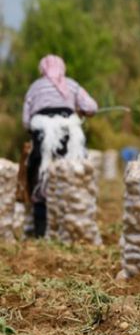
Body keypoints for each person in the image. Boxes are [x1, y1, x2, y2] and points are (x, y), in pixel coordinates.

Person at [22, 54, 98, 237]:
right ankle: (72, 227)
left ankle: (41, 231)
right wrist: (81, 111)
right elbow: (92, 107)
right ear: (62, 68)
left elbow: (26, 121)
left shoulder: (35, 87)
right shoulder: (71, 84)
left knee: (41, 178)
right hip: (70, 134)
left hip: (43, 134)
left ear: (43, 70)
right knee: (72, 175)